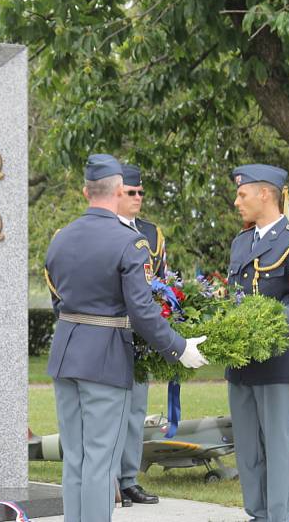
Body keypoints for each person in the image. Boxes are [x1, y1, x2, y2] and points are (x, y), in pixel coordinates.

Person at [44, 154, 209, 522]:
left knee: (75, 459)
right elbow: (142, 311)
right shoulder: (129, 242)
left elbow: (58, 297)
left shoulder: (62, 238)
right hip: (105, 359)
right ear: (118, 190)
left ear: (86, 191)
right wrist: (179, 348)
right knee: (101, 461)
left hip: (66, 353)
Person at [226, 164, 289, 522]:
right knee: (248, 450)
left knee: (278, 448)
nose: (237, 201)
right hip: (240, 366)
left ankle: (280, 516)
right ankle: (257, 514)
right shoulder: (240, 243)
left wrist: (267, 324)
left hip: (278, 361)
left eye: (242, 194)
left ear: (264, 193)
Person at [116, 164, 165, 507]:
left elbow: (162, 283)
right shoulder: (97, 230)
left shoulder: (152, 234)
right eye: (130, 193)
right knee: (108, 411)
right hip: (106, 333)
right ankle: (107, 480)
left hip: (140, 336)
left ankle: (129, 479)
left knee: (136, 409)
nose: (137, 198)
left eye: (140, 193)